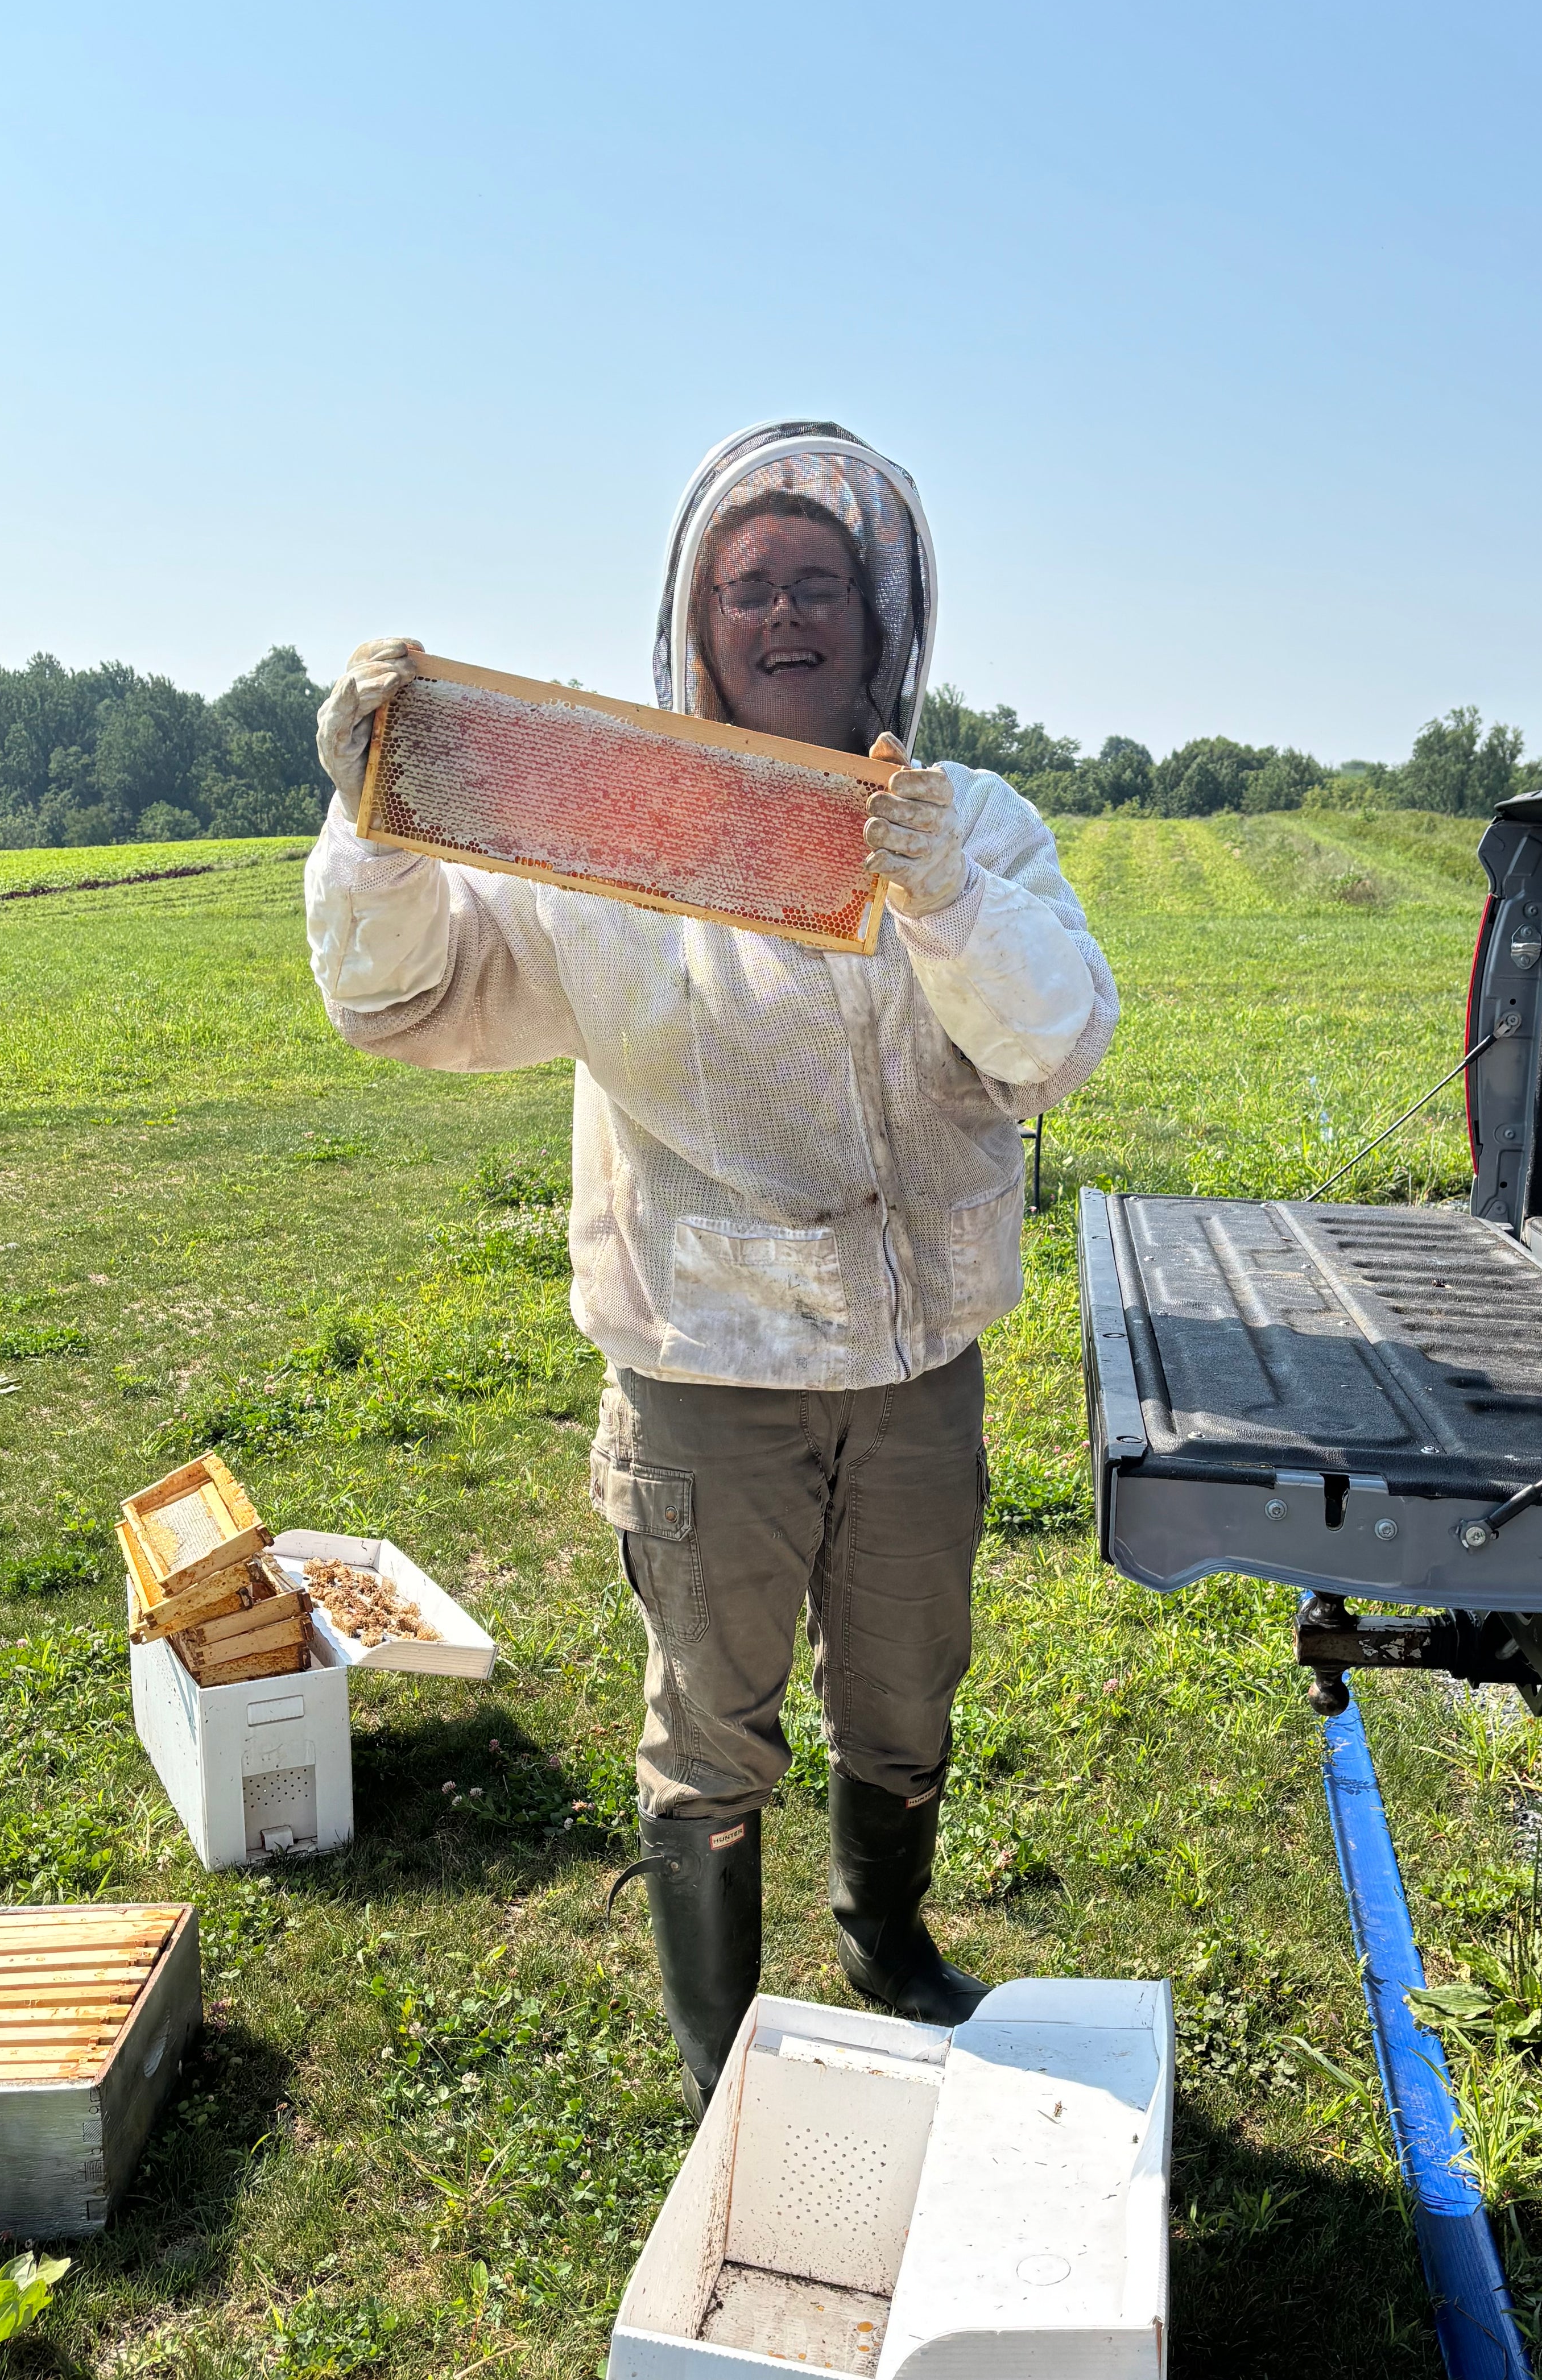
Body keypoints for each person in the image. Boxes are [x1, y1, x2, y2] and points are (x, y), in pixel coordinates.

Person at [303, 420, 1117, 2114]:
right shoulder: (614, 833)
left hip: (914, 1362)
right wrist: (376, 821)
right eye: (749, 589)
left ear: (883, 615)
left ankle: (888, 1941)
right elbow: (404, 1000)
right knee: (712, 1724)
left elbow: (1050, 1046)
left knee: (905, 1690)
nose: (785, 614)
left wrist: (945, 899)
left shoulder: (974, 822)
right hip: (705, 1365)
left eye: (819, 582)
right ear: (698, 622)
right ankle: (724, 2064)